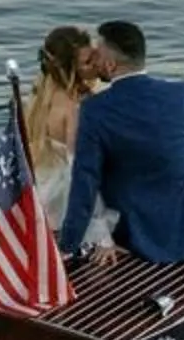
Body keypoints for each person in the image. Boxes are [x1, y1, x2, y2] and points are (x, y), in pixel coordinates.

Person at [56, 19, 184, 269]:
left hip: (149, 233)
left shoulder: (95, 110)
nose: (95, 60)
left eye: (98, 55)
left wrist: (67, 246)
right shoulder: (183, 91)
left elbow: (86, 183)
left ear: (111, 64)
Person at [25, 24, 117, 255]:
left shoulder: (38, 99)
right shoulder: (75, 108)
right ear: (68, 69)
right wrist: (103, 236)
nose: (95, 66)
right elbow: (80, 174)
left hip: (43, 191)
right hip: (66, 202)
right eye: (87, 62)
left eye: (94, 57)